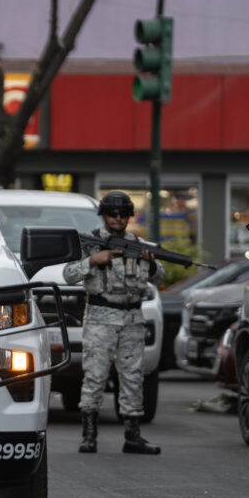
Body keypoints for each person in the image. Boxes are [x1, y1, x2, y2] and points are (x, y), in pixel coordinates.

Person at [63, 191, 163, 455]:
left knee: (133, 376)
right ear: (104, 215)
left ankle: (132, 435)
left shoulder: (139, 244)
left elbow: (159, 278)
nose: (118, 218)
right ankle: (89, 435)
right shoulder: (90, 243)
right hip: (101, 316)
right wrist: (92, 261)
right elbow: (68, 274)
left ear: (129, 216)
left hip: (132, 318)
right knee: (95, 375)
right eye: (112, 214)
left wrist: (151, 264)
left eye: (123, 214)